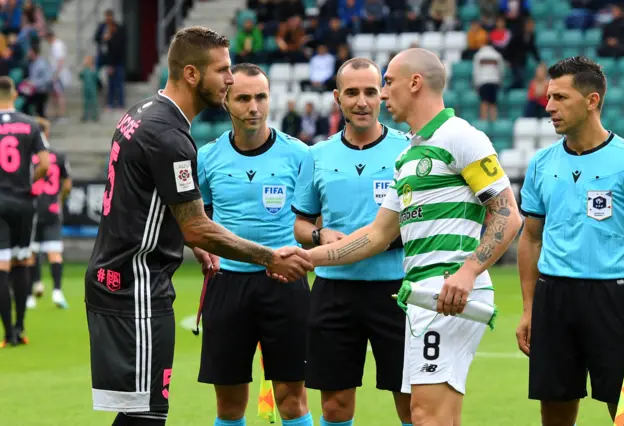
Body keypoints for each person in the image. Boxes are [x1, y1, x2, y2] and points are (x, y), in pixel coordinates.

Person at [84, 27, 313, 426]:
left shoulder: (141, 113)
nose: (229, 80)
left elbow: (166, 209)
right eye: (223, 71)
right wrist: (268, 257)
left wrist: (198, 241)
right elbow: (197, 227)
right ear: (192, 74)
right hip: (136, 285)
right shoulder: (171, 137)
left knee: (140, 411)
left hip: (121, 279)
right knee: (146, 414)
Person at [289, 48, 523, 426]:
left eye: (387, 83)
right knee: (432, 415)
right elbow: (376, 236)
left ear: (415, 83)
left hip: (448, 291)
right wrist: (304, 258)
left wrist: (468, 272)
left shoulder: (460, 136)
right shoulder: (409, 156)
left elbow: (508, 213)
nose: (381, 94)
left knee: (425, 416)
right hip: (419, 294)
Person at [516, 56, 624, 426]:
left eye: (560, 98)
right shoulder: (541, 163)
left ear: (592, 101)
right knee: (554, 409)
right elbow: (531, 238)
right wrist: (528, 307)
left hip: (612, 298)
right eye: (549, 97)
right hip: (553, 297)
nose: (549, 107)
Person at [291, 57, 412, 426]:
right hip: (334, 292)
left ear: (383, 95)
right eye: (352, 92)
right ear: (337, 98)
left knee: (411, 404)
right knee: (335, 407)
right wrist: (318, 235)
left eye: (371, 92)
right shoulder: (318, 155)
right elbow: (299, 224)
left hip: (398, 291)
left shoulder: (408, 151)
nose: (362, 101)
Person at [196, 63, 313, 426]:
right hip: (226, 283)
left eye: (261, 97)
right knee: (229, 404)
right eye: (244, 98)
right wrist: (201, 249)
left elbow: (312, 219)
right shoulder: (206, 157)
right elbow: (195, 221)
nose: (254, 107)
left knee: (292, 399)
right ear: (226, 101)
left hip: (285, 282)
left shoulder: (299, 155)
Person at [0, 76, 50, 347]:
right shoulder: (30, 124)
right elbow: (44, 163)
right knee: (22, 261)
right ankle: (20, 328)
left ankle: (7, 333)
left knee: (1, 265)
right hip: (22, 201)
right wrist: (29, 181)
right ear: (15, 94)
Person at [27, 117, 72, 310]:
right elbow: (68, 184)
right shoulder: (59, 156)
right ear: (47, 133)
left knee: (31, 252)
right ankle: (57, 292)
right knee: (54, 252)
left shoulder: (29, 156)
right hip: (52, 208)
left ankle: (31, 293)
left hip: (32, 207)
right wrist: (59, 200)